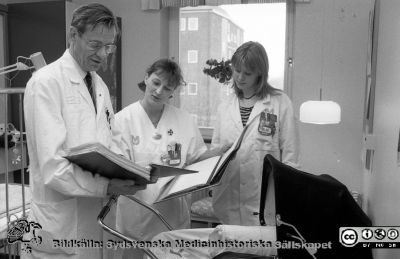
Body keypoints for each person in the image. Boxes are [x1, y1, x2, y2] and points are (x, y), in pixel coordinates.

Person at [23, 4, 145, 258]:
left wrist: (129, 169)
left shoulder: (98, 84)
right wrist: (106, 186)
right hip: (63, 225)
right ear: (73, 35)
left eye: (109, 47)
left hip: (97, 219)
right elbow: (52, 167)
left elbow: (110, 140)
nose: (103, 54)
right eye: (95, 44)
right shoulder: (46, 83)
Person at [114, 58, 226, 258]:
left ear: (172, 92)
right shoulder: (123, 119)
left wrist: (220, 153)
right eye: (156, 83)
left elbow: (197, 158)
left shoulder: (184, 120)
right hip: (136, 213)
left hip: (172, 215)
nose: (159, 91)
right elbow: (118, 165)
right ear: (146, 78)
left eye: (167, 88)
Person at [211, 41, 300, 226]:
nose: (240, 77)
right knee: (232, 252)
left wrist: (288, 193)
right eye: (236, 70)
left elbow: (290, 153)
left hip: (265, 198)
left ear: (260, 72)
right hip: (229, 199)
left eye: (247, 73)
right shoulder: (225, 106)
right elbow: (215, 152)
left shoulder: (279, 102)